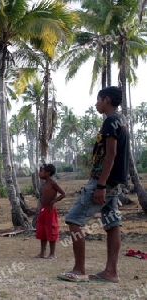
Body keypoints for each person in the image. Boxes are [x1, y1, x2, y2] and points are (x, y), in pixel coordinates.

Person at [57, 86, 129, 283]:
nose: (96, 104)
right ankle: (111, 272)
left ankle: (79, 270)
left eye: (98, 100)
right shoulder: (121, 121)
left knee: (73, 219)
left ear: (106, 100)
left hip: (102, 182)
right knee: (112, 224)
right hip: (114, 183)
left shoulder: (110, 121)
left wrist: (100, 186)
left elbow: (111, 154)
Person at [35, 163, 65, 259]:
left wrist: (54, 201)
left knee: (51, 230)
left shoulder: (53, 183)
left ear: (48, 173)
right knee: (42, 230)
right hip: (43, 209)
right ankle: (42, 252)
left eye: (41, 171)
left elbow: (63, 194)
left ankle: (52, 253)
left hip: (50, 210)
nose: (39, 173)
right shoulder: (44, 184)